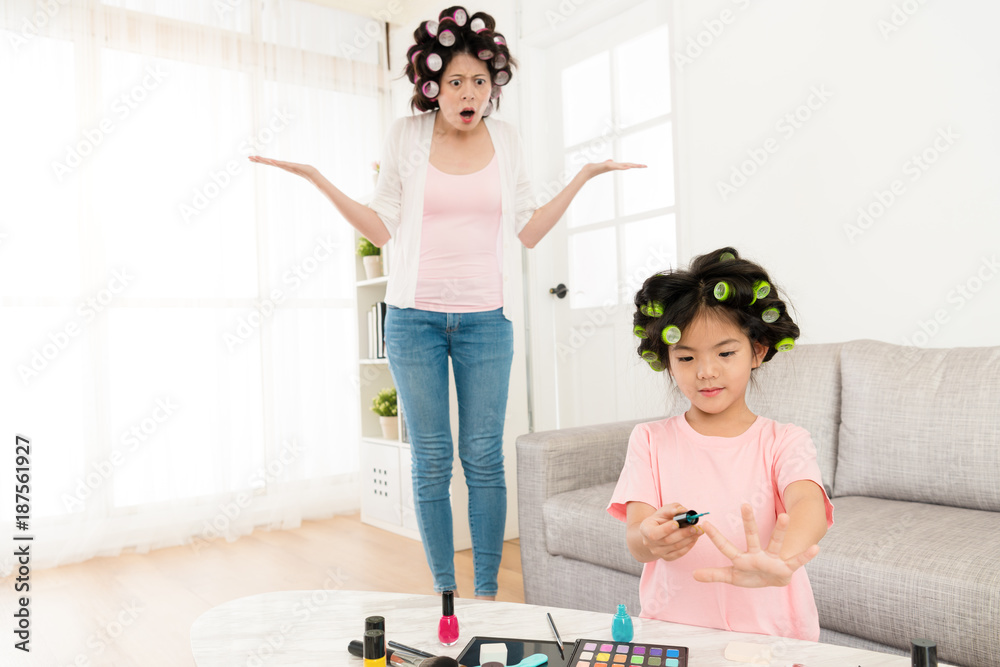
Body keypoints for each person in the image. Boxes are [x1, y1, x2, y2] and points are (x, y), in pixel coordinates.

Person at [250, 5, 644, 599]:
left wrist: (585, 175)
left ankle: (485, 593)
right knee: (432, 460)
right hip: (414, 322)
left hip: (488, 322)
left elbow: (530, 230)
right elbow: (381, 229)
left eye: (480, 82)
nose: (468, 93)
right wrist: (318, 179)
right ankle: (446, 594)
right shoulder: (407, 136)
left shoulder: (506, 140)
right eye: (456, 81)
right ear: (432, 85)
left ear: (494, 87)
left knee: (483, 458)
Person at [607, 247, 834, 640]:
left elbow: (808, 506)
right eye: (686, 358)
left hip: (770, 638)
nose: (706, 372)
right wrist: (650, 538)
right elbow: (637, 539)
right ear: (667, 360)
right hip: (675, 634)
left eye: (725, 352)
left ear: (757, 351)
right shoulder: (650, 440)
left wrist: (776, 559)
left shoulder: (785, 441)